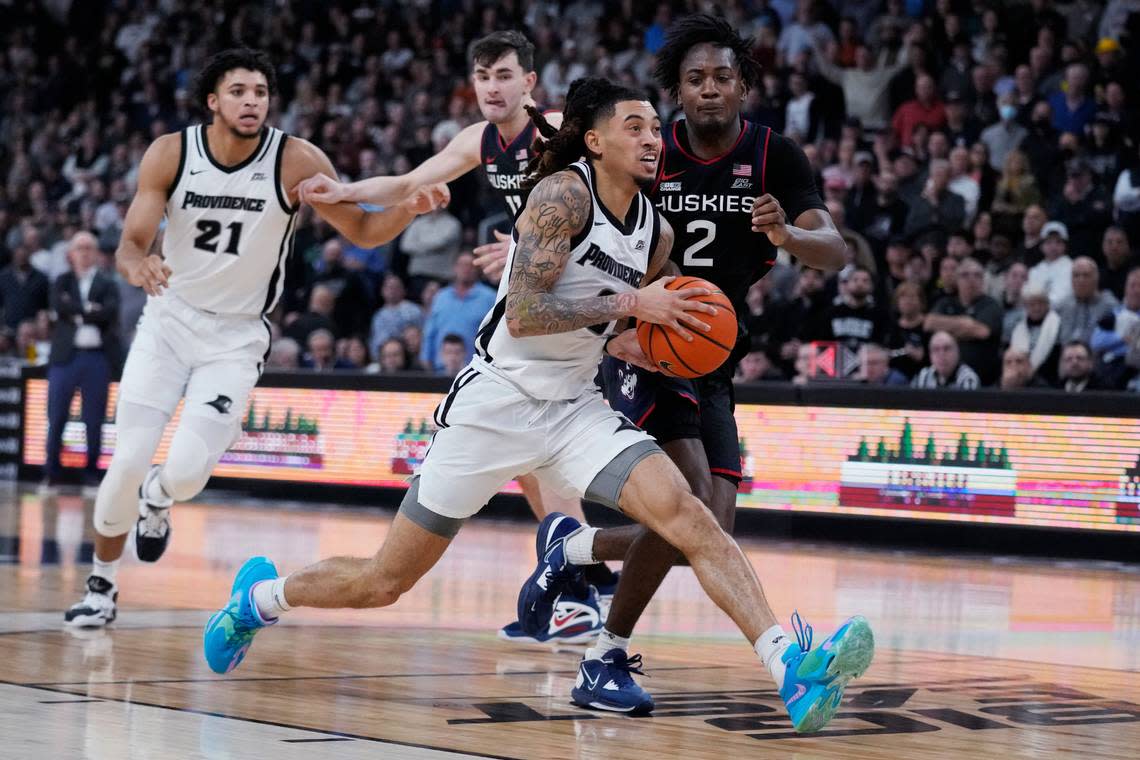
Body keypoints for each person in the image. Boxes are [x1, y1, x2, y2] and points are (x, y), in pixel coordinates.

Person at [203, 77, 874, 736]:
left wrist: (662, 345)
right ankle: (258, 601)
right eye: (632, 127)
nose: (649, 138)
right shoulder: (561, 194)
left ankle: (790, 667)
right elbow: (524, 313)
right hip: (493, 405)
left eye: (651, 127)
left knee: (689, 518)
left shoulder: (654, 233)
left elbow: (620, 332)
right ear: (594, 141)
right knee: (386, 580)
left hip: (574, 408)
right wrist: (631, 304)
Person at [64, 48, 447, 627]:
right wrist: (136, 264)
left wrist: (408, 211)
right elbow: (130, 243)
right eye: (239, 91)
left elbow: (365, 228)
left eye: (261, 92)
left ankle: (159, 499)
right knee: (126, 463)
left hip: (237, 337)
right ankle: (101, 584)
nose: (251, 101)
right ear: (213, 101)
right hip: (168, 322)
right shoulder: (171, 152)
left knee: (188, 472)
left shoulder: (295, 161)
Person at [550, 16, 850, 714]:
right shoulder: (647, 151)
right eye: (694, 79)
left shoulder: (777, 155)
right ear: (675, 92)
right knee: (688, 514)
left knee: (708, 528)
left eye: (721, 77)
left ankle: (572, 552)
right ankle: (607, 652)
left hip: (711, 355)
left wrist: (787, 233)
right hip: (643, 346)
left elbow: (835, 249)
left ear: (744, 83)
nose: (709, 90)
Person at [295, 33, 623, 633]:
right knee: (530, 447)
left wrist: (532, 247)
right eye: (482, 77)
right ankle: (580, 573)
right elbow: (407, 182)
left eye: (503, 75)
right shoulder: (479, 140)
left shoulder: (556, 129)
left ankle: (583, 574)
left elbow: (606, 199)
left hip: (582, 284)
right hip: (535, 285)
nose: (491, 88)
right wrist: (343, 192)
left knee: (545, 428)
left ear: (529, 82)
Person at [43, 232, 121, 489]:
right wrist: (89, 311)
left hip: (97, 358)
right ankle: (51, 472)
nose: (85, 252)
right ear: (71, 253)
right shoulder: (62, 281)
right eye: (80, 248)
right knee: (56, 416)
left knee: (94, 418)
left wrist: (76, 313)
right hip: (66, 358)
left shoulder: (108, 282)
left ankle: (91, 473)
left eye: (89, 248)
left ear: (96, 253)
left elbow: (109, 312)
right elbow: (59, 306)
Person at [924, 258, 1004, 385]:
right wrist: (965, 323)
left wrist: (947, 329)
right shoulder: (946, 302)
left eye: (977, 275)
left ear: (983, 281)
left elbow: (982, 331)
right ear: (957, 279)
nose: (971, 279)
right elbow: (929, 323)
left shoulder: (990, 305)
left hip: (984, 383)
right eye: (965, 275)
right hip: (946, 381)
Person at [420, 252, 496, 372]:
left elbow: (495, 334)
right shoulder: (441, 296)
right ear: (454, 268)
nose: (465, 269)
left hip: (476, 369)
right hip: (440, 368)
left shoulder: (489, 298)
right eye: (462, 265)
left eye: (470, 265)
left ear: (477, 269)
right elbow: (430, 330)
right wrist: (425, 357)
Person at [1057, 256, 1118, 344]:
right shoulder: (1063, 305)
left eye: (1086, 275)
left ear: (1096, 278)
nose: (1081, 280)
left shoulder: (1109, 306)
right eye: (1076, 275)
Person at [1010, 284, 1062, 384]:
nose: (1037, 308)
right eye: (1032, 304)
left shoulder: (1057, 324)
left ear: (1047, 305)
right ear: (1025, 307)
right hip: (1022, 379)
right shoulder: (1018, 329)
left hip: (1050, 379)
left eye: (1040, 303)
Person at [911, 331, 980, 389]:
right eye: (936, 349)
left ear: (957, 352)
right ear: (930, 354)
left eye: (947, 348)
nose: (941, 354)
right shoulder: (923, 376)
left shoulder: (968, 379)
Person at [1028, 221, 1074, 305]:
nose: (1053, 247)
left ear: (1065, 246)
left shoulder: (1072, 267)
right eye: (1048, 242)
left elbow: (1063, 298)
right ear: (1041, 246)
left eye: (1058, 242)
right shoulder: (1035, 270)